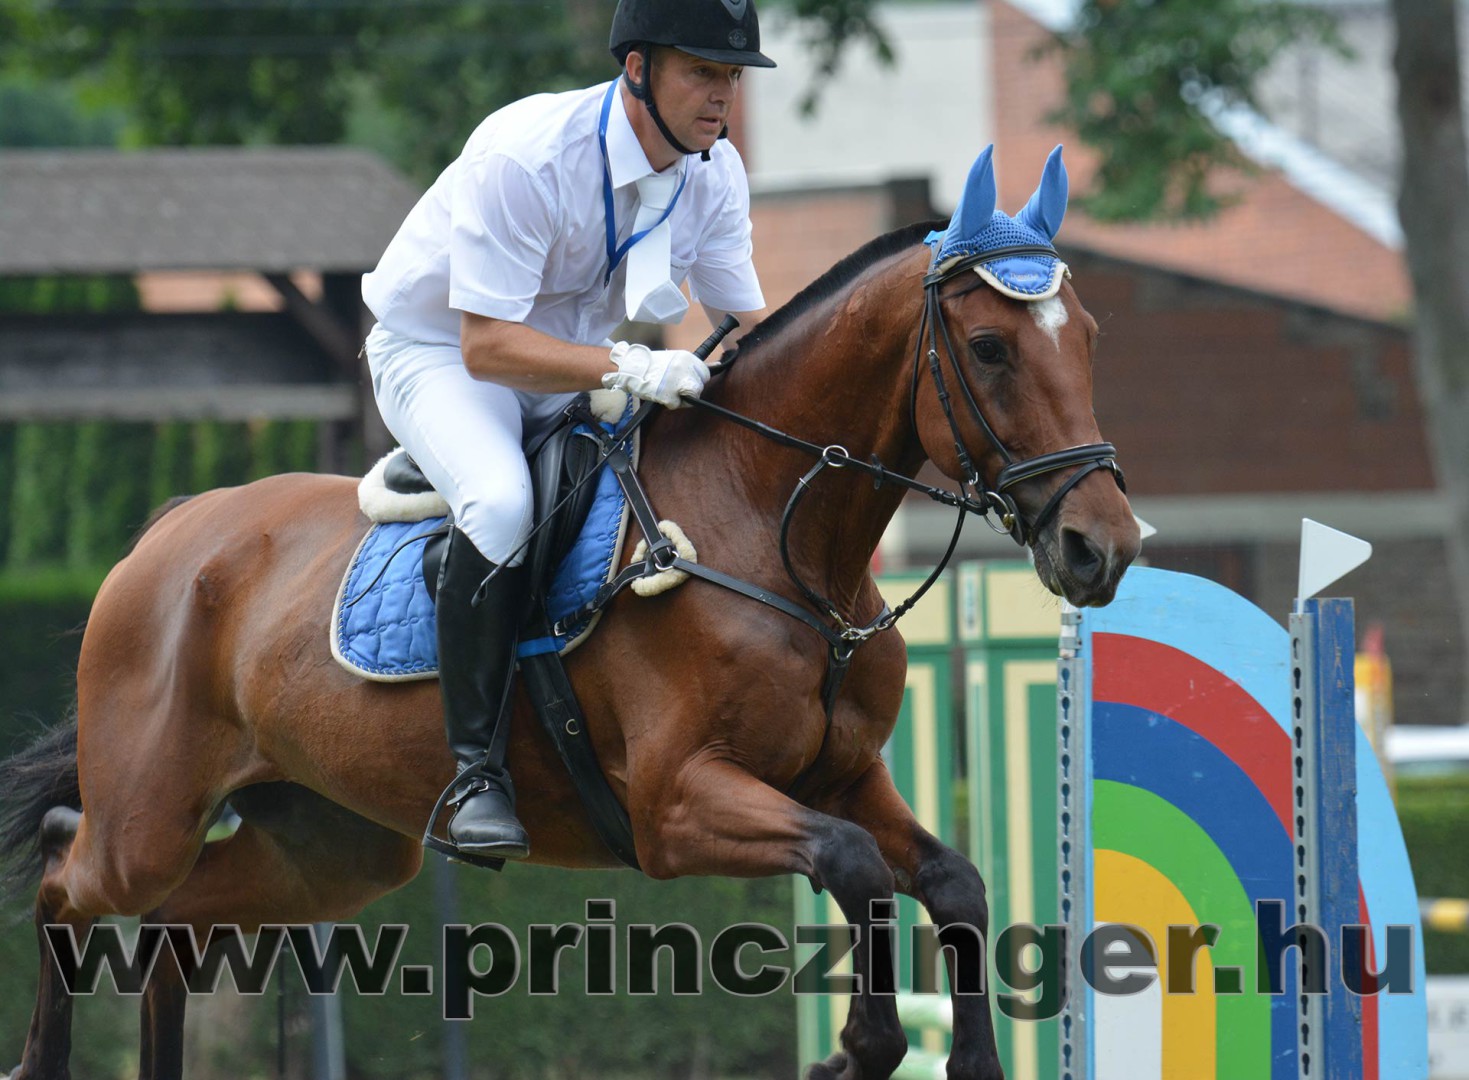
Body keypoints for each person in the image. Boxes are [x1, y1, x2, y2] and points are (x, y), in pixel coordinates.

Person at [360, 0, 774, 862]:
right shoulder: (530, 156)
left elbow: (744, 324)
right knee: (503, 502)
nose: (721, 96)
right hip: (442, 353)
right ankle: (474, 775)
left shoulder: (713, 172)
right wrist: (632, 366)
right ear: (636, 69)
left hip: (568, 366)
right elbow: (486, 345)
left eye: (731, 76)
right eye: (701, 71)